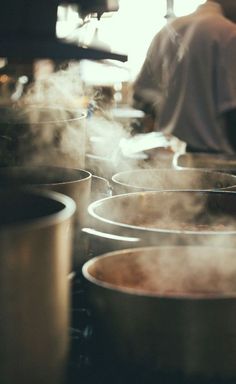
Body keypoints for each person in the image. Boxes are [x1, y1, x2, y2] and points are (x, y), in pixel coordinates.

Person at [132, 0, 236, 154]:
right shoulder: (229, 32)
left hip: (168, 152)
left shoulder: (168, 29)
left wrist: (172, 114)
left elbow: (140, 96)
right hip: (215, 158)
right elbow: (231, 111)